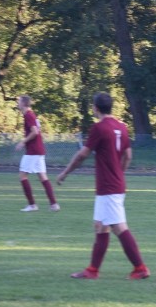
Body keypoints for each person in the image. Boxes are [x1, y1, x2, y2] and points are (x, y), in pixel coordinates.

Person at [56, 92, 150, 280]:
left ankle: (140, 268)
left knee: (119, 227)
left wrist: (65, 172)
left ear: (96, 108)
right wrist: (119, 173)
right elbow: (128, 155)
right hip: (114, 184)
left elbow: (83, 155)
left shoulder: (99, 128)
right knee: (100, 226)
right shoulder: (122, 127)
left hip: (108, 186)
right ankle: (92, 271)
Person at [14, 95, 59, 212]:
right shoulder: (31, 115)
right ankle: (54, 204)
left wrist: (22, 142)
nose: (17, 103)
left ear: (23, 103)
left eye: (18, 101)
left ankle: (32, 205)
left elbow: (34, 132)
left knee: (22, 176)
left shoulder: (29, 115)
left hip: (33, 151)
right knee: (43, 177)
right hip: (38, 150)